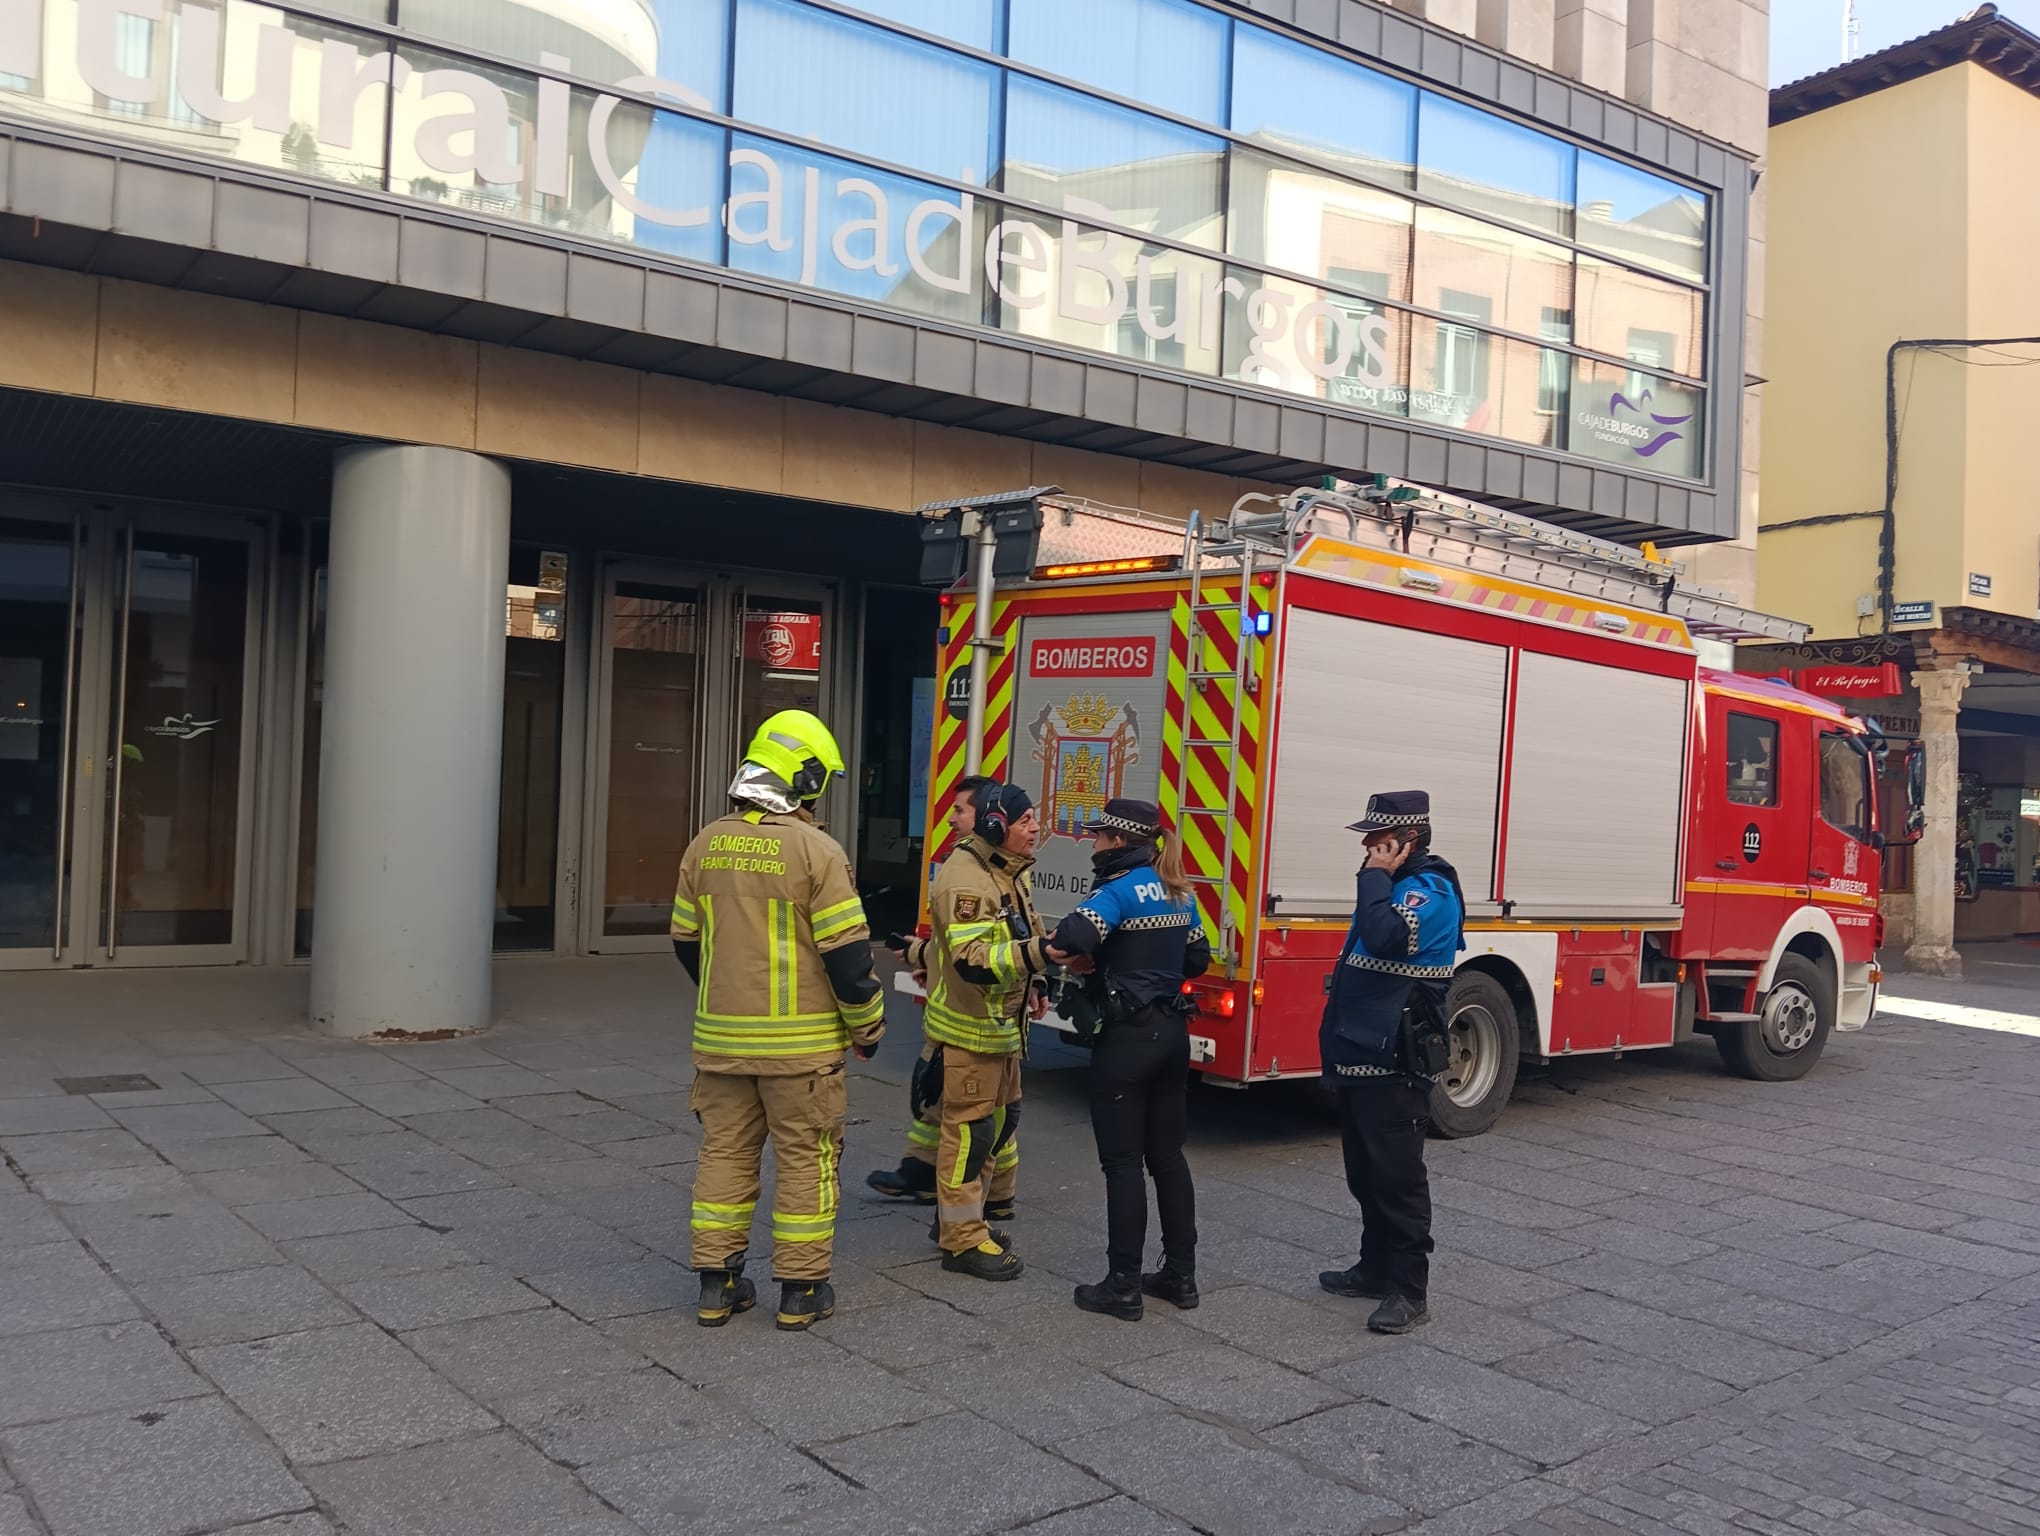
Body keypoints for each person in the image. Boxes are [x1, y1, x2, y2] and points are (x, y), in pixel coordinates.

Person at [671, 710, 885, 1332]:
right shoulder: (818, 851)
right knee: (806, 1160)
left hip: (720, 1043)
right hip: (802, 1050)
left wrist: (724, 997)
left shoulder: (705, 842)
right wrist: (868, 1028)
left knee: (725, 1154)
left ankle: (717, 1286)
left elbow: (687, 941)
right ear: (806, 778)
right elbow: (848, 959)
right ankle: (800, 1291)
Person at [1044, 799, 1210, 1322]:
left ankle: (1122, 1284)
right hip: (1172, 1035)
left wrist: (1098, 956)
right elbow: (1197, 958)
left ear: (1118, 842)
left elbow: (1070, 938)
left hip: (1127, 1041)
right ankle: (1180, 1276)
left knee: (1122, 1164)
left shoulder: (1114, 891)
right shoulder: (1180, 891)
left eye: (1097, 836)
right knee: (1168, 1158)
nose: (1092, 844)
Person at [1316, 790, 1466, 1335]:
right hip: (1363, 1052)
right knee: (1365, 1171)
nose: (1366, 848)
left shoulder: (1430, 891)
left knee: (1399, 1177)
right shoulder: (1395, 886)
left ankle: (1409, 1290)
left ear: (1408, 841)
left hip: (1397, 1058)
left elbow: (1385, 937)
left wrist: (1374, 878)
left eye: (1377, 840)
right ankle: (1375, 1269)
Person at [901, 781, 1047, 1280]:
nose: (1035, 830)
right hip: (970, 1033)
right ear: (995, 826)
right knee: (969, 1135)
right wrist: (1039, 957)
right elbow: (972, 961)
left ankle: (962, 1223)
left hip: (1000, 1030)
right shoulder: (967, 879)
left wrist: (1039, 978)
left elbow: (1025, 927)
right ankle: (961, 1241)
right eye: (1027, 822)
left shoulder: (1005, 871)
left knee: (997, 1126)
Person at [866, 773, 996, 1205]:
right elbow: (956, 946)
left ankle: (981, 1199)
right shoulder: (975, 865)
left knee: (978, 1115)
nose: (951, 819)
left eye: (960, 810)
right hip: (954, 1015)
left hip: (969, 1020)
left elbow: (980, 954)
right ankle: (920, 1170)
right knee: (935, 1099)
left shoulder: (978, 872)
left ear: (988, 818)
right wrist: (922, 954)